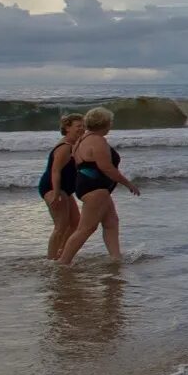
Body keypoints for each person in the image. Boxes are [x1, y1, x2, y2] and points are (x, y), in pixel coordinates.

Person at [56, 107, 140, 265]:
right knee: (86, 228)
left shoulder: (81, 139)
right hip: (95, 188)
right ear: (105, 123)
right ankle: (63, 262)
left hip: (86, 185)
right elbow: (106, 167)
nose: (111, 125)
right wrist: (128, 184)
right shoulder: (98, 140)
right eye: (110, 122)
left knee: (111, 222)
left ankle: (116, 258)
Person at [38, 112, 85, 259]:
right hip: (53, 187)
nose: (82, 128)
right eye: (78, 126)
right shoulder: (64, 146)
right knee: (60, 226)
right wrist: (57, 193)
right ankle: (51, 260)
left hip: (65, 190)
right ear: (67, 128)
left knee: (76, 223)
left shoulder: (75, 144)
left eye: (83, 125)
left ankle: (61, 253)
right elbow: (55, 171)